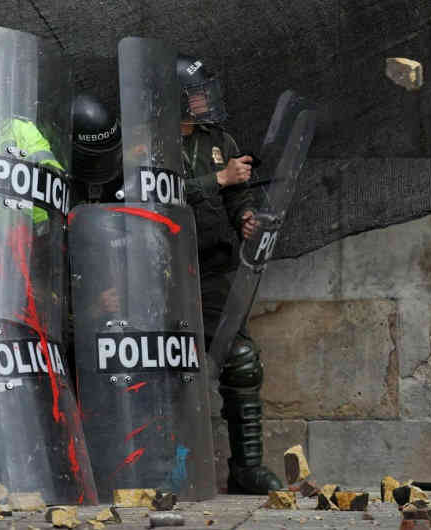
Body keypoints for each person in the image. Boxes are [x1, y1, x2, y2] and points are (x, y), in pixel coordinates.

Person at [178, 54, 282, 494]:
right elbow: (149, 195)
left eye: (205, 94)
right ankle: (163, 469)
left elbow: (238, 197)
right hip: (158, 270)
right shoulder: (145, 141)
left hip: (214, 265)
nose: (204, 102)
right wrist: (217, 179)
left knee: (240, 360)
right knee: (158, 366)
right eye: (195, 95)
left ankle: (246, 468)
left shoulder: (218, 138)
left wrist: (246, 218)